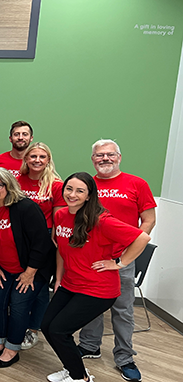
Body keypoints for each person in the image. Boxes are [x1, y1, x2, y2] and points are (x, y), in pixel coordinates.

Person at [42, 172, 150, 382]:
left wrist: (119, 263)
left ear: (89, 195)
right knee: (46, 326)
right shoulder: (61, 215)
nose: (72, 194)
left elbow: (142, 237)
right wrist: (58, 279)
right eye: (69, 189)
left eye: (80, 191)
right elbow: (62, 251)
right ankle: (71, 368)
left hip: (97, 290)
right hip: (70, 285)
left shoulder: (101, 220)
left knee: (59, 330)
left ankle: (80, 377)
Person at [76, 140, 157, 382]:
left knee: (122, 311)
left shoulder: (137, 183)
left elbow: (149, 221)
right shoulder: (87, 185)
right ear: (92, 159)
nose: (105, 159)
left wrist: (125, 257)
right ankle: (90, 345)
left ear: (119, 157)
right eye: (99, 155)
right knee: (91, 306)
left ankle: (125, 357)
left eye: (110, 155)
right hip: (92, 259)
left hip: (121, 259)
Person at [0, 167, 54, 368]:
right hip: (1, 268)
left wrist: (29, 273)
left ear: (8, 186)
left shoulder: (25, 208)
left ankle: (12, 349)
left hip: (31, 269)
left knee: (18, 305)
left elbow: (41, 244)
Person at [17, 142, 66, 349]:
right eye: (33, 156)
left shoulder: (55, 184)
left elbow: (59, 215)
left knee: (39, 286)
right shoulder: (17, 181)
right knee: (19, 282)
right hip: (19, 237)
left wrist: (54, 239)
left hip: (46, 238)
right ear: (26, 159)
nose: (37, 160)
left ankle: (33, 328)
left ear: (48, 160)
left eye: (42, 157)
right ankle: (17, 323)